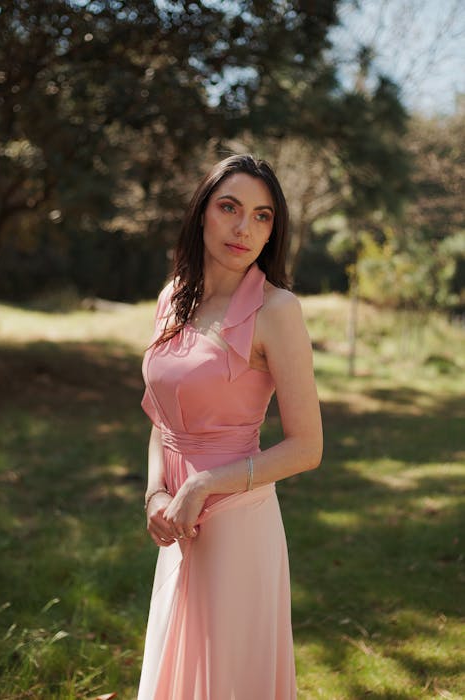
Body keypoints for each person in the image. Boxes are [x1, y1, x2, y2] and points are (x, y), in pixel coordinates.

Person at [138, 154, 323, 700]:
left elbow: (307, 447)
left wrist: (199, 485)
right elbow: (160, 416)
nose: (244, 228)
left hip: (237, 521)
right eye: (229, 208)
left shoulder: (277, 310)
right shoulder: (173, 296)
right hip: (176, 523)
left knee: (228, 678)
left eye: (262, 216)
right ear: (202, 214)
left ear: (274, 230)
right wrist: (155, 493)